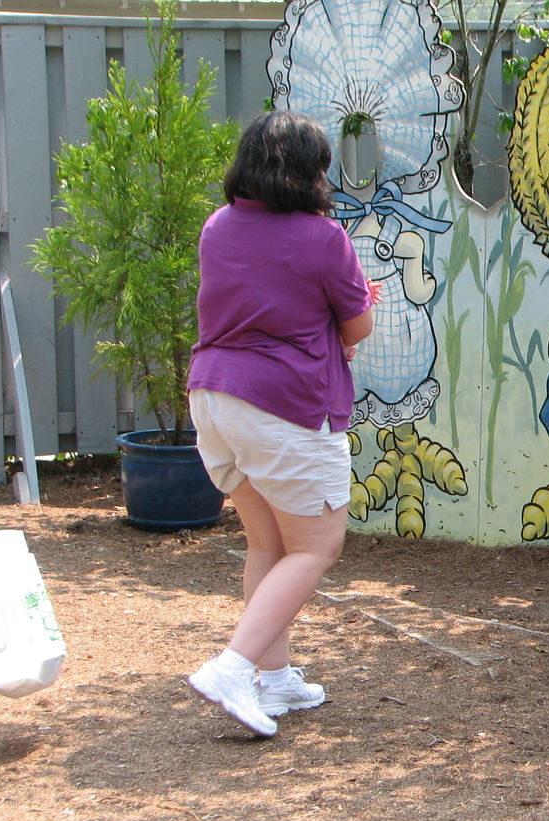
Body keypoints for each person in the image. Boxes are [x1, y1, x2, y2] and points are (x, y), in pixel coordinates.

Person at [185, 110, 381, 737]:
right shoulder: (323, 238)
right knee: (316, 547)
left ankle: (273, 680)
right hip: (284, 408)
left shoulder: (218, 227)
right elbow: (357, 327)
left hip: (215, 397)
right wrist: (356, 302)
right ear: (310, 172)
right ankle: (234, 667)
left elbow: (261, 302)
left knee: (267, 542)